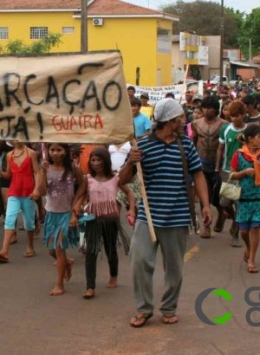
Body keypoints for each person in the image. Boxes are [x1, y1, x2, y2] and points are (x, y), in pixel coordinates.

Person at [119, 98, 212, 327]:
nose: (184, 121)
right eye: (180, 118)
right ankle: (144, 309)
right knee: (139, 262)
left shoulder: (186, 145)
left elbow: (198, 174)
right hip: (148, 217)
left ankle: (168, 308)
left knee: (174, 269)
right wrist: (131, 162)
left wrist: (206, 205)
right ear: (170, 121)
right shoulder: (141, 146)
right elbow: (122, 180)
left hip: (178, 217)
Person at [75, 147, 135, 299]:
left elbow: (129, 193)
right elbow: (80, 196)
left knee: (110, 249)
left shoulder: (115, 178)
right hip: (94, 220)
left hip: (111, 220)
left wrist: (132, 209)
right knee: (91, 252)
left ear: (106, 161)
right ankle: (90, 287)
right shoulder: (87, 179)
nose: (96, 163)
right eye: (93, 160)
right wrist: (75, 210)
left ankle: (113, 276)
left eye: (99, 160)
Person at [229, 125, 260, 273]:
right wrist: (244, 172)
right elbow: (232, 174)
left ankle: (251, 259)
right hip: (244, 197)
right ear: (250, 139)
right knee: (244, 231)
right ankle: (249, 248)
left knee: (255, 227)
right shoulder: (238, 155)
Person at [39, 143, 85, 296]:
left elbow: (84, 185)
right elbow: (40, 191)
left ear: (65, 152)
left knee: (59, 248)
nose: (55, 153)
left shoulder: (72, 169)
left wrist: (76, 205)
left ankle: (59, 284)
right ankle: (66, 263)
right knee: (51, 250)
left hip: (66, 213)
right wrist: (41, 172)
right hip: (51, 213)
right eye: (52, 150)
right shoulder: (46, 169)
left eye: (59, 150)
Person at [0, 140, 40, 263]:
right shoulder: (9, 155)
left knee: (29, 222)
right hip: (14, 191)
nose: (17, 139)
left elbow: (37, 172)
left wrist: (37, 189)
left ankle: (30, 246)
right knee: (9, 218)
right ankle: (4, 251)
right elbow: (8, 175)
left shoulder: (31, 153)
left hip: (28, 191)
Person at [191, 95, 226, 238]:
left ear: (216, 109)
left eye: (209, 108)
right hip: (201, 162)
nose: (206, 110)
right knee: (204, 195)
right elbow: (193, 141)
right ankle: (207, 227)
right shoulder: (196, 123)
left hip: (218, 163)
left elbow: (224, 146)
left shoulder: (224, 124)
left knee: (218, 198)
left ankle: (222, 214)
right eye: (204, 107)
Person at [216, 101, 247, 246]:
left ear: (243, 115)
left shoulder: (249, 130)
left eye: (237, 116)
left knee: (239, 203)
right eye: (232, 116)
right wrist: (218, 167)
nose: (234, 119)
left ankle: (235, 234)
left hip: (244, 172)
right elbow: (221, 149)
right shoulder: (225, 129)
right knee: (224, 202)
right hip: (228, 171)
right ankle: (233, 218)